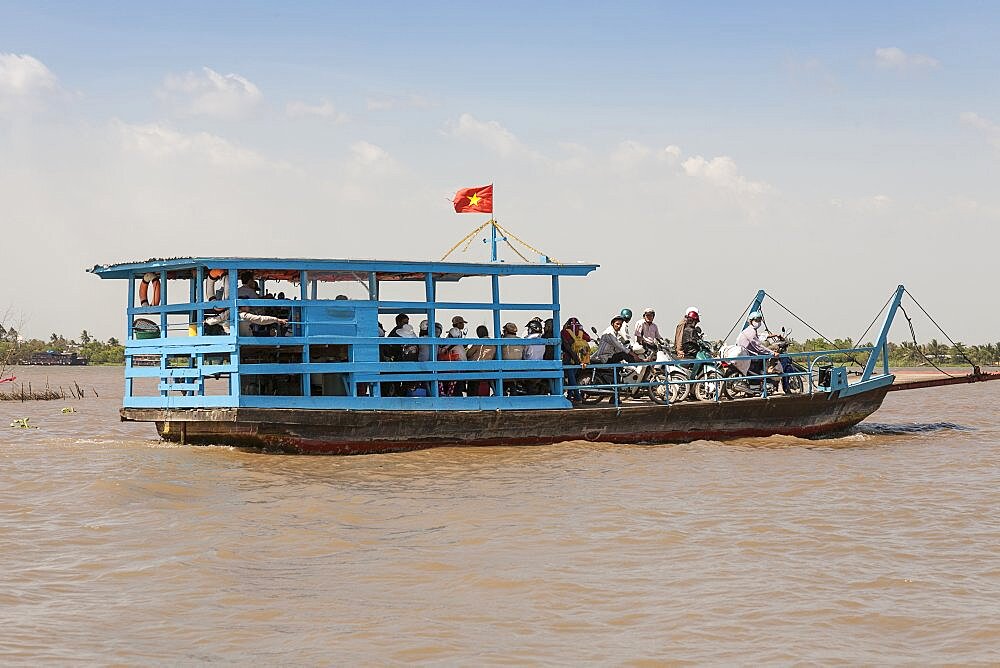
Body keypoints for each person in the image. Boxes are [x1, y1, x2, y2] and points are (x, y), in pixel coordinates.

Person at [737, 310, 778, 382]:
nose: (758, 322)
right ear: (751, 321)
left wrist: (773, 335)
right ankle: (768, 371)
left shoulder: (749, 330)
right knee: (773, 351)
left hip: (747, 353)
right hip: (750, 355)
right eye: (756, 320)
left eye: (759, 320)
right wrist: (772, 353)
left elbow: (759, 336)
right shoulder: (751, 332)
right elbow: (758, 346)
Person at [560, 317, 591, 402]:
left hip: (568, 358)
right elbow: (588, 338)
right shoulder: (580, 332)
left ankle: (577, 397)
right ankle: (570, 397)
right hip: (579, 358)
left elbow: (565, 346)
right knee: (572, 378)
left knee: (571, 378)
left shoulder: (564, 332)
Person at [204, 305, 287, 336]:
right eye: (247, 306)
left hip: (229, 336)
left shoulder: (228, 313)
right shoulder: (244, 315)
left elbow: (214, 320)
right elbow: (260, 319)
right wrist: (276, 320)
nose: (249, 308)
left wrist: (206, 321)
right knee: (265, 333)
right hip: (245, 336)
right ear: (242, 307)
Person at [466, 325, 496, 396]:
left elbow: (468, 354)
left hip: (477, 368)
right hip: (489, 369)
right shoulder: (494, 343)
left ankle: (471, 397)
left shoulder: (478, 343)